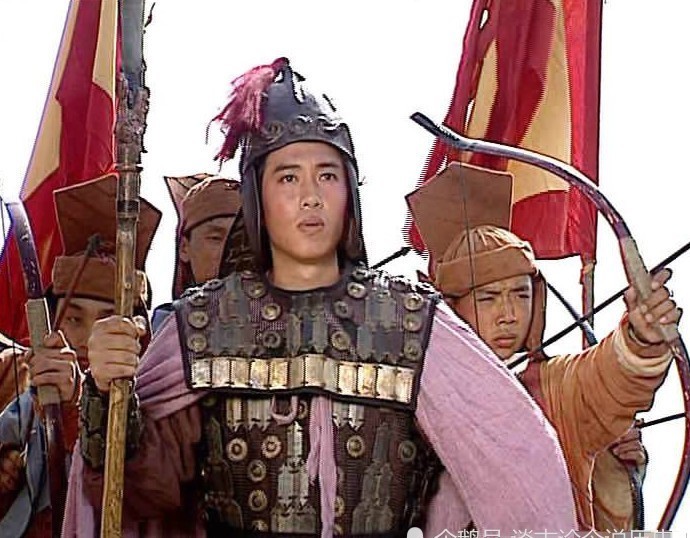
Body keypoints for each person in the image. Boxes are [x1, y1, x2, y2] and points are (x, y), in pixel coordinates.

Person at [67, 58, 577, 537]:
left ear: (349, 192)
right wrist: (109, 396)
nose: (310, 196)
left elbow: (511, 460)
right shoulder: (201, 324)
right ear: (257, 196)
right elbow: (141, 490)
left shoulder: (414, 323)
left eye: (327, 175)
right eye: (288, 177)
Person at [407, 161, 676, 531]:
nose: (508, 315)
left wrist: (641, 336)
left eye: (520, 294)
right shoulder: (414, 392)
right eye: (487, 298)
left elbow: (608, 377)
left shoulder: (551, 388)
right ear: (453, 308)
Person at [0, 175, 160, 537]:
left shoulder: (160, 398)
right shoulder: (19, 384)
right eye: (74, 319)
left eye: (107, 321)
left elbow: (140, 495)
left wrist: (76, 405)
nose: (89, 339)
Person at [151, 173, 241, 333]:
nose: (230, 249)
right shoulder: (169, 325)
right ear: (184, 248)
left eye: (241, 238)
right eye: (215, 238)